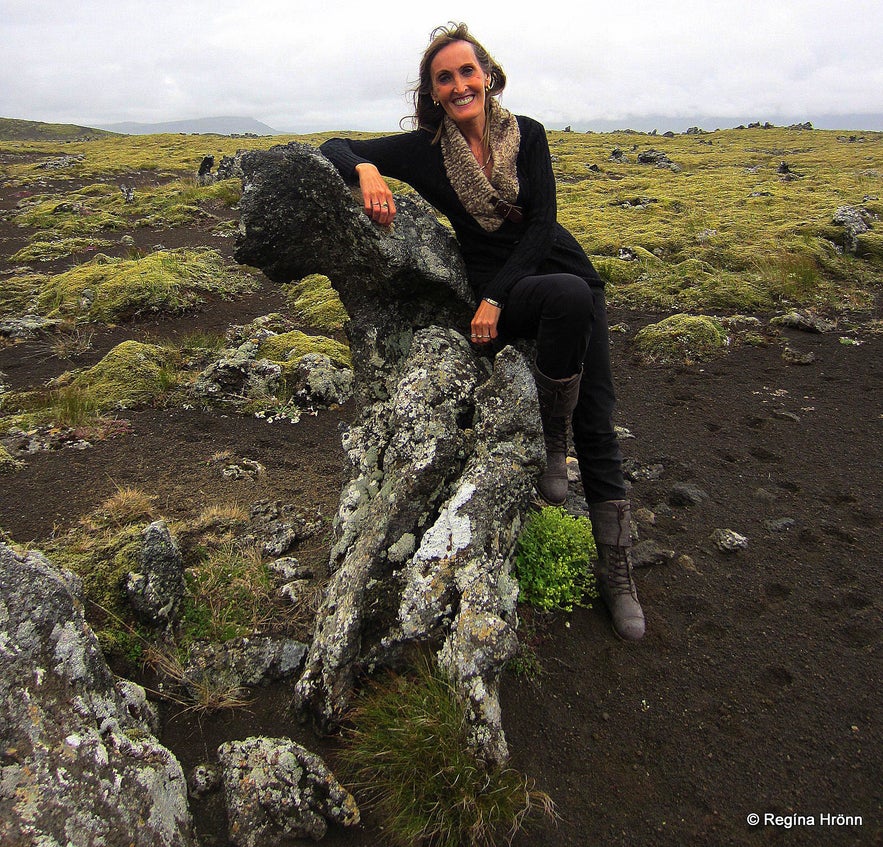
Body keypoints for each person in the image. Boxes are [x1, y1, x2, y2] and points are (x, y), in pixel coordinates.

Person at [319, 23, 645, 641]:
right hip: (510, 287)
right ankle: (553, 440)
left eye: (468, 72)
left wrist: (492, 298)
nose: (459, 84)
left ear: (488, 76)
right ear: (433, 92)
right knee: (566, 300)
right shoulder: (424, 152)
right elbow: (333, 145)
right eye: (445, 78)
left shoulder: (530, 137)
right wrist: (365, 170)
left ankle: (616, 566)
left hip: (553, 276)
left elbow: (544, 225)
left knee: (596, 418)